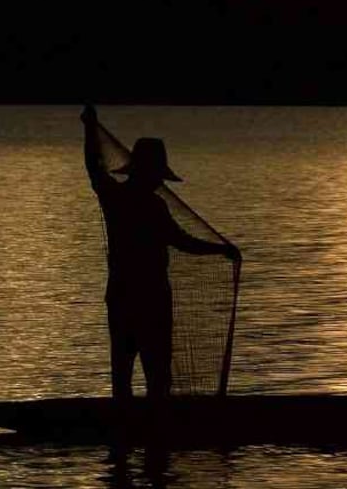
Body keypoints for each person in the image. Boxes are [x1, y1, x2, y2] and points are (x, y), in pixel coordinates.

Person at [82, 104, 241, 400]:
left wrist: (89, 129)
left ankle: (127, 432)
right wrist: (221, 250)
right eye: (157, 174)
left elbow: (94, 167)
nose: (159, 181)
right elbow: (182, 242)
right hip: (150, 299)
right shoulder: (152, 207)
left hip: (121, 297)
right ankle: (155, 432)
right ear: (150, 173)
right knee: (157, 376)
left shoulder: (116, 198)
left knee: (123, 373)